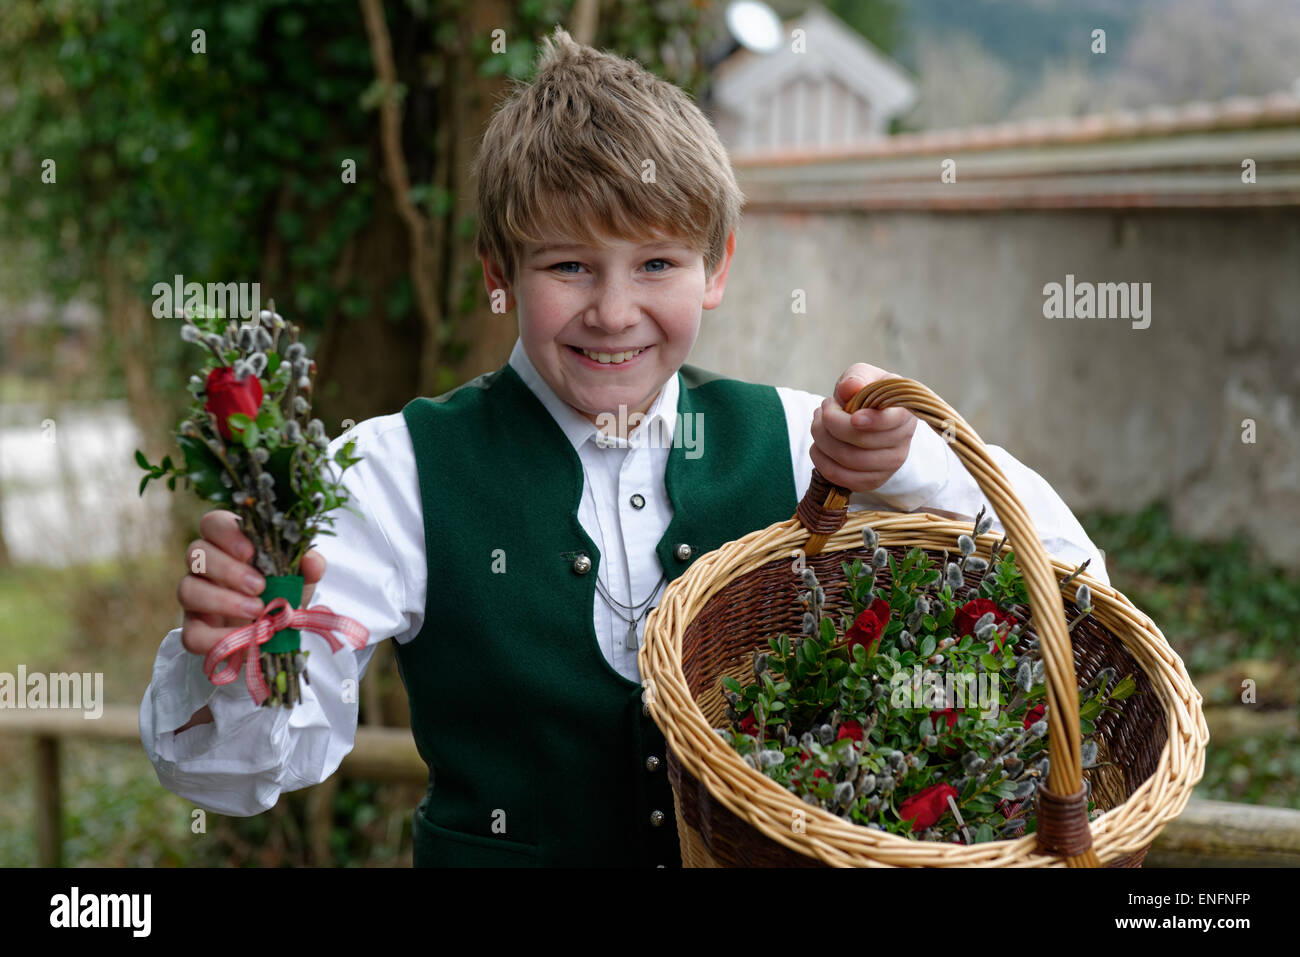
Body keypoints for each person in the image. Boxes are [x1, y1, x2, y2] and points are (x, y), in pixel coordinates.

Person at [139, 26, 1110, 867]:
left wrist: (910, 465)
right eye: (567, 265)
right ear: (497, 271)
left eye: (656, 263)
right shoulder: (393, 470)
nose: (613, 312)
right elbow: (235, 774)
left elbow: (1074, 586)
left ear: (716, 267)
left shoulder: (790, 436)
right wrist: (233, 642)